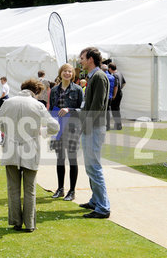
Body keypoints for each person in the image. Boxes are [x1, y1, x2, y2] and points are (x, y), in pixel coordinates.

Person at [0, 79, 59, 232]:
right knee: (30, 189)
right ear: (36, 91)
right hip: (30, 149)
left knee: (13, 188)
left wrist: (8, 130)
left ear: (23, 88)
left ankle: (16, 221)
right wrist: (43, 132)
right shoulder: (38, 105)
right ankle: (30, 224)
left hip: (11, 149)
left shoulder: (8, 103)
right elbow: (54, 126)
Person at [79, 47, 111, 219]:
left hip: (94, 128)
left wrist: (86, 126)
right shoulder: (92, 77)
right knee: (91, 167)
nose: (80, 60)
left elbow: (97, 106)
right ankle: (96, 200)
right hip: (90, 127)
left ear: (91, 59)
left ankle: (103, 207)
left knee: (94, 167)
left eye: (82, 57)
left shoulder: (98, 77)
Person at [49, 64, 83, 201]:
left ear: (73, 74)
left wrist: (70, 109)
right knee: (60, 159)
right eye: (65, 71)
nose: (67, 73)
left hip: (73, 128)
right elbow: (51, 109)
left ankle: (72, 191)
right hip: (58, 128)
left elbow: (83, 109)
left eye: (70, 71)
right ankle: (60, 188)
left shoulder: (78, 90)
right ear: (60, 73)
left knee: (72, 159)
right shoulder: (54, 90)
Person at [108, 62, 126, 130]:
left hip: (116, 94)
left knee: (115, 110)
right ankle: (118, 124)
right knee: (117, 109)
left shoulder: (114, 75)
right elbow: (124, 83)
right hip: (120, 93)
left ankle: (118, 125)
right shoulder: (120, 73)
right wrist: (120, 88)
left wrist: (114, 95)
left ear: (110, 68)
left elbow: (115, 86)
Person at [101, 64, 116, 131]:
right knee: (107, 111)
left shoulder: (101, 76)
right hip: (109, 96)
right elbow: (115, 87)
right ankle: (108, 126)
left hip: (102, 96)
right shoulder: (112, 77)